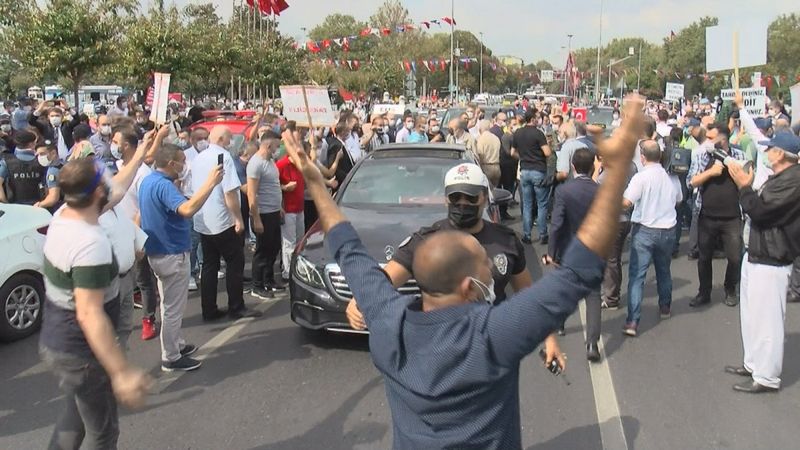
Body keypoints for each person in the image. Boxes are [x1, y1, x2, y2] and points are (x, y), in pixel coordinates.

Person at [288, 94, 645, 449]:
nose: (492, 272)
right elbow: (579, 270)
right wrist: (616, 171)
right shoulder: (494, 336)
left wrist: (315, 183)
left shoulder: (387, 322)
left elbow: (348, 247)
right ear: (470, 287)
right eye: (485, 269)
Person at [345, 162, 563, 365]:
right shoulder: (426, 241)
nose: (462, 204)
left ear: (484, 198)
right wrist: (360, 299)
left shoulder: (506, 240)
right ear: (446, 198)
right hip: (439, 349)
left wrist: (549, 338)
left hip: (492, 349)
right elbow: (386, 279)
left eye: (470, 198)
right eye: (455, 197)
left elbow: (526, 294)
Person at [39, 158, 152, 449]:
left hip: (57, 342)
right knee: (103, 432)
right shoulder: (91, 244)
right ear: (98, 193)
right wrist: (121, 371)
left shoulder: (65, 213)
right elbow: (90, 314)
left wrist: (141, 152)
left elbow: (118, 189)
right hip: (81, 352)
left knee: (74, 417)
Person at [725, 130, 800, 393]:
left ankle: (767, 376)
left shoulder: (793, 181)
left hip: (773, 258)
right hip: (757, 253)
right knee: (752, 316)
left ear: (780, 153)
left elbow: (760, 211)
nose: (766, 153)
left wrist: (744, 186)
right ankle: (753, 363)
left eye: (770, 149)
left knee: (768, 321)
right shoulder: (780, 178)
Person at [139, 143, 223, 371]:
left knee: (169, 305)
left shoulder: (149, 181)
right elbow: (187, 210)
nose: (184, 165)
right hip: (171, 253)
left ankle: (176, 344)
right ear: (170, 163)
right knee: (173, 309)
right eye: (181, 160)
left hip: (159, 252)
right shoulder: (163, 186)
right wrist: (211, 183)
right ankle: (171, 356)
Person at [191, 126, 260, 321]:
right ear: (222, 139)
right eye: (230, 138)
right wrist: (238, 218)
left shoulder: (199, 158)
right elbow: (230, 192)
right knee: (235, 262)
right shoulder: (224, 158)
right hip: (223, 220)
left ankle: (209, 309)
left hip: (204, 220)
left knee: (209, 265)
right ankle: (236, 307)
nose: (232, 142)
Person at [546, 148, 602, 360]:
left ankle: (560, 325)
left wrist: (552, 251)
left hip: (567, 250)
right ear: (592, 166)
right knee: (593, 295)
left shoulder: (564, 191)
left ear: (573, 166)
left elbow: (557, 223)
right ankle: (592, 345)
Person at [622, 140, 682, 337]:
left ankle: (632, 322)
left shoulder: (641, 178)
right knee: (664, 270)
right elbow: (679, 199)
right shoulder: (670, 176)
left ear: (642, 157)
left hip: (645, 230)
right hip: (667, 230)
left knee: (637, 277)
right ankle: (665, 307)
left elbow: (626, 202)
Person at [686, 124, 746, 307]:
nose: (708, 142)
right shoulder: (701, 155)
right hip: (707, 216)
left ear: (723, 140)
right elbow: (691, 182)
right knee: (704, 257)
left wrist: (737, 173)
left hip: (732, 217)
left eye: (712, 138)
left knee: (735, 257)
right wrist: (710, 172)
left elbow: (748, 180)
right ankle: (704, 292)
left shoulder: (739, 155)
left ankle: (730, 288)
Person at [247, 131, 284, 299]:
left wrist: (280, 208)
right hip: (263, 213)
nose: (278, 149)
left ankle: (268, 280)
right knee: (262, 250)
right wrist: (256, 218)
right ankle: (257, 285)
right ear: (269, 145)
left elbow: (275, 186)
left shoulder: (270, 162)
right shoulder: (256, 163)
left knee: (274, 247)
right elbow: (251, 193)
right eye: (276, 146)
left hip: (274, 211)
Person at [512, 109, 552, 244]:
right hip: (538, 171)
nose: (539, 119)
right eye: (538, 117)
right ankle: (542, 234)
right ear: (533, 119)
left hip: (524, 171)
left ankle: (527, 235)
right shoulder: (539, 134)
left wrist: (523, 157)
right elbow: (547, 153)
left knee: (527, 204)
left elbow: (512, 152)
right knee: (541, 204)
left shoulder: (517, 133)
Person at [276, 137, 306, 282]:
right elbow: (273, 186)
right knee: (289, 243)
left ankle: (298, 269)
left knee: (300, 240)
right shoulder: (281, 165)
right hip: (287, 209)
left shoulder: (302, 165)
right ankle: (287, 272)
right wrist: (285, 188)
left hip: (300, 208)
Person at [0, 130, 46, 205]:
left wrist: (5, 202)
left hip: (14, 206)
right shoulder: (41, 161)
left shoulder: (7, 162)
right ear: (32, 144)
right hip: (37, 206)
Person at [33, 140, 64, 212]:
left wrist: (39, 205)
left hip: (59, 208)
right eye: (38, 155)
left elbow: (53, 198)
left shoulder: (53, 171)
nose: (39, 157)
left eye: (42, 154)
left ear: (53, 153)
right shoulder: (63, 164)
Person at [475, 119, 501, 187]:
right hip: (497, 167)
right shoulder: (496, 138)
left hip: (486, 167)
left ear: (480, 128)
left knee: (487, 190)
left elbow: (479, 154)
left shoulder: (480, 139)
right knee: (495, 189)